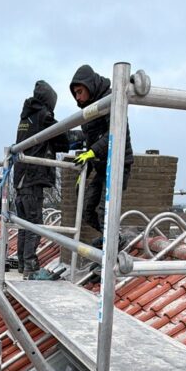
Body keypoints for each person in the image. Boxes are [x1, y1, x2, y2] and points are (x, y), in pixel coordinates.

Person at [69, 64, 134, 252]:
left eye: (80, 92)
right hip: (101, 166)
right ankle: (112, 238)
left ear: (89, 86)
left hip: (117, 164)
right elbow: (91, 145)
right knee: (87, 210)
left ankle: (110, 250)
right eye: (75, 94)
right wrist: (84, 171)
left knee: (106, 212)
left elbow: (115, 132)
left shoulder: (111, 99)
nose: (78, 97)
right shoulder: (89, 110)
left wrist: (92, 152)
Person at [13, 80, 69, 278]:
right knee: (35, 224)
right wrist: (81, 136)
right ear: (49, 101)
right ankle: (30, 266)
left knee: (24, 225)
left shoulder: (26, 117)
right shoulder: (43, 115)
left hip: (20, 180)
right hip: (32, 179)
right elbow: (62, 137)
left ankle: (22, 263)